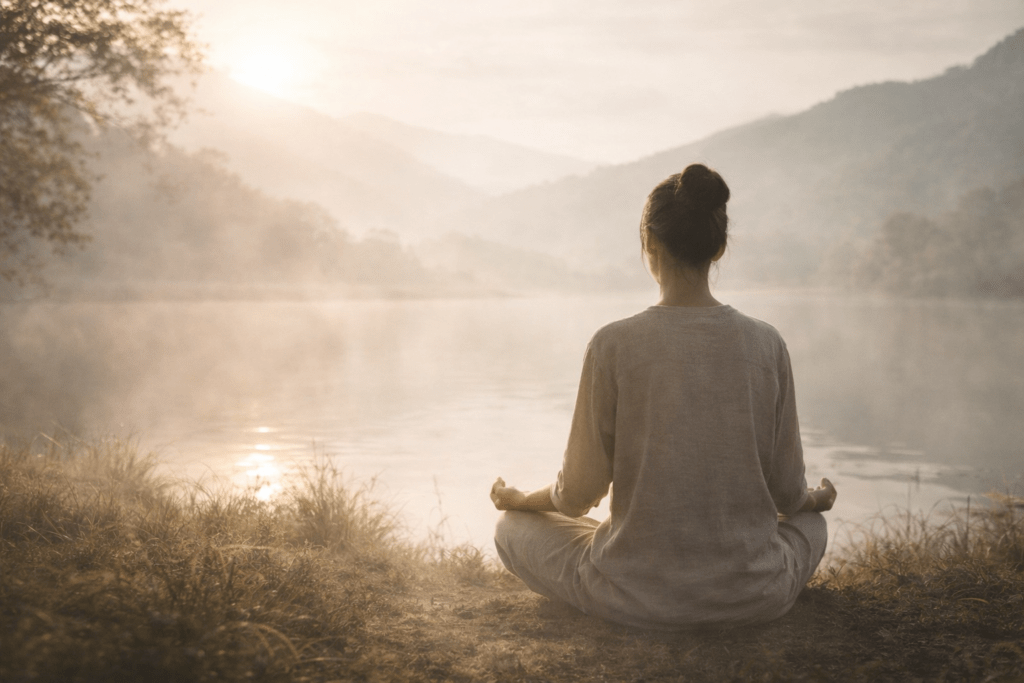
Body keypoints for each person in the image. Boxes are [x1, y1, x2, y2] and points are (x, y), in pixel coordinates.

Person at [489, 163, 837, 630]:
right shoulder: (766, 344)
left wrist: (520, 500)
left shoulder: (612, 344)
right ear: (718, 246)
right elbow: (789, 495)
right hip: (753, 596)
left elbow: (575, 496)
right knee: (812, 525)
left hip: (632, 597)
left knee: (511, 529)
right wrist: (817, 500)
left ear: (648, 242)